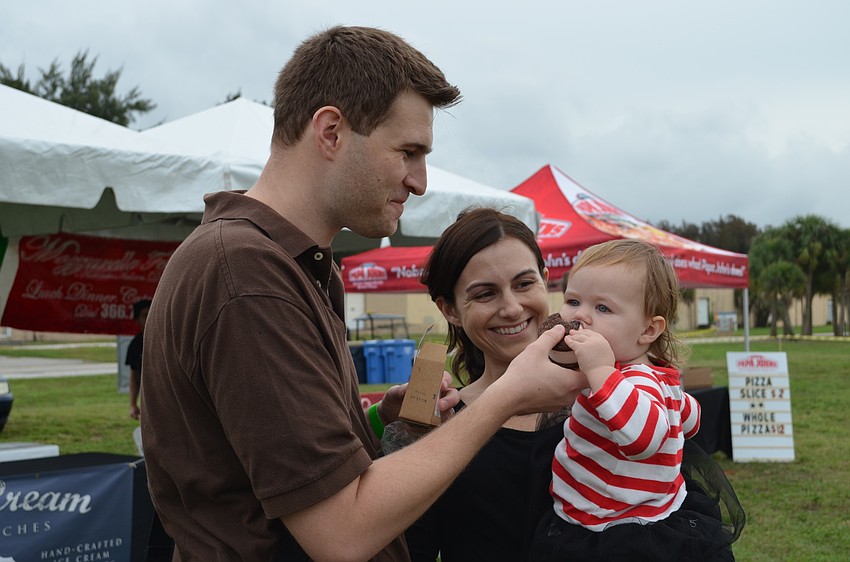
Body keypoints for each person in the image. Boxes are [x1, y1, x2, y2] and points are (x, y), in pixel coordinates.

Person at [141, 26, 585, 561]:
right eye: (408, 152)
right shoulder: (246, 274)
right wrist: (504, 397)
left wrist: (375, 422)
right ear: (330, 132)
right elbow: (341, 534)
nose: (420, 181)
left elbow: (267, 460)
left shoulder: (286, 264)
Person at [529, 239, 734, 561]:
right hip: (600, 507)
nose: (580, 316)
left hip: (615, 528)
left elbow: (644, 440)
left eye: (602, 308)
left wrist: (599, 370)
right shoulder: (646, 375)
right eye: (572, 300)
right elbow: (691, 418)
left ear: (648, 330)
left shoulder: (628, 379)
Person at [403, 207, 570, 562]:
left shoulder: (609, 400)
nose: (511, 308)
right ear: (449, 310)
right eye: (485, 294)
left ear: (545, 278)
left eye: (524, 284)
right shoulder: (441, 423)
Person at [126, 298, 151, 420]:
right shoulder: (135, 345)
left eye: (151, 314)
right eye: (145, 315)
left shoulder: (166, 339)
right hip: (149, 402)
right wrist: (132, 404)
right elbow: (134, 375)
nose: (149, 318)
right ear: (137, 320)